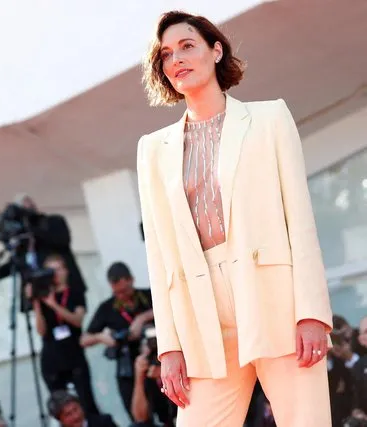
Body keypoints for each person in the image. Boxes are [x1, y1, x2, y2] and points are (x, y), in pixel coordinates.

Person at [136, 10, 333, 426]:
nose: (177, 59)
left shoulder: (269, 118)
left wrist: (312, 312)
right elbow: (159, 253)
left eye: (187, 46)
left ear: (216, 49)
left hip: (275, 302)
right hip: (201, 319)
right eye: (167, 54)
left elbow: (300, 218)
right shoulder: (153, 150)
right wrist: (168, 346)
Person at [27, 254, 100, 416]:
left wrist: (54, 305)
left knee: (86, 404)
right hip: (52, 359)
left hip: (74, 356)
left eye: (58, 269)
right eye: (51, 271)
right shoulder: (43, 296)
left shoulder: (75, 293)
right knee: (62, 409)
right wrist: (36, 303)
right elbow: (41, 331)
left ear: (66, 271)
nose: (55, 274)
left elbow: (77, 320)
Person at [80, 261, 154, 417]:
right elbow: (84, 340)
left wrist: (142, 318)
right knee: (138, 417)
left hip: (155, 360)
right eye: (117, 292)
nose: (121, 295)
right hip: (127, 367)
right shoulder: (107, 308)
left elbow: (170, 307)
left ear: (131, 280)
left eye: (125, 290)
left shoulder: (147, 296)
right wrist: (101, 337)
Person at [0, 194, 87, 294]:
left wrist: (30, 228)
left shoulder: (53, 221)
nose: (26, 208)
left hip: (65, 290)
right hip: (38, 293)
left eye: (28, 203)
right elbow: (16, 262)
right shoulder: (21, 238)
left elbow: (62, 241)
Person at [130, 327, 175, 427]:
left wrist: (165, 375)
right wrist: (139, 378)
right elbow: (140, 418)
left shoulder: (178, 360)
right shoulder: (145, 368)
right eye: (149, 343)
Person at [47, 390, 118, 427]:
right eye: (68, 414)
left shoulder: (104, 423)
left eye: (76, 409)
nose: (76, 416)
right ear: (60, 420)